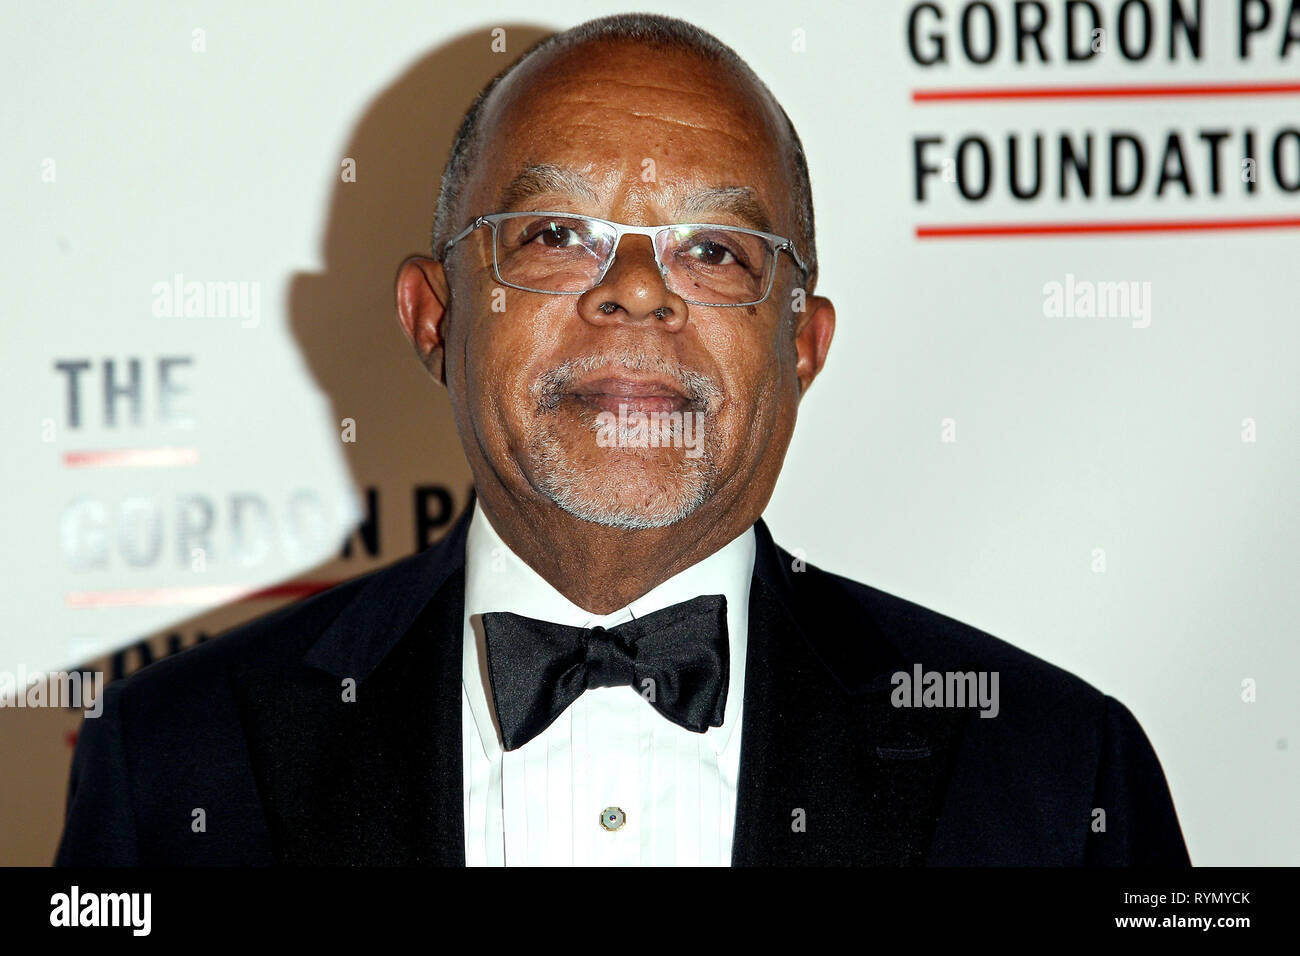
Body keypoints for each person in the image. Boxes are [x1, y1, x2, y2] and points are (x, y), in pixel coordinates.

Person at [56, 12, 1189, 866]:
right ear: (433, 315)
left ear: (803, 345)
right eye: (557, 233)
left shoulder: (1052, 770)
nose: (637, 291)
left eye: (714, 252)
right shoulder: (172, 759)